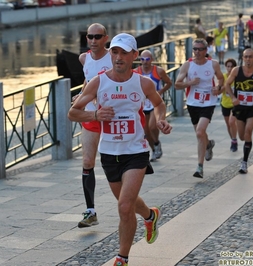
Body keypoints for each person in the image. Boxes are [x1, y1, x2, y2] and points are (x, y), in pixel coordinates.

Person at [68, 33, 172, 266]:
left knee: (124, 206)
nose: (118, 57)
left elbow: (158, 103)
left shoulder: (143, 83)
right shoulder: (98, 82)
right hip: (109, 153)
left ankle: (122, 258)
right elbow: (73, 113)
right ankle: (150, 215)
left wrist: (161, 119)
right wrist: (95, 115)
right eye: (115, 51)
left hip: (135, 151)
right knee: (130, 204)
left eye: (124, 52)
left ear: (134, 55)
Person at [76, 23, 111, 228]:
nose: (93, 40)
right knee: (88, 161)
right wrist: (81, 96)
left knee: (113, 163)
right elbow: (87, 81)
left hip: (111, 117)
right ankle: (91, 211)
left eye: (98, 37)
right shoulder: (84, 58)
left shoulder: (114, 57)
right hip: (90, 115)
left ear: (105, 38)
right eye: (90, 36)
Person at [174, 38, 224, 178]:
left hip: (208, 102)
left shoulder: (213, 64)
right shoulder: (187, 65)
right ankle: (208, 145)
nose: (197, 52)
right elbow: (177, 85)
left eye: (200, 49)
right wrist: (190, 82)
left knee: (199, 132)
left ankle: (199, 167)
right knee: (200, 133)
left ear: (205, 50)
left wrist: (218, 88)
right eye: (195, 49)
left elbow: (221, 78)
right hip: (193, 103)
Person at [224, 49, 253, 174]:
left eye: (250, 57)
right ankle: (242, 144)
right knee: (242, 136)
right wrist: (233, 97)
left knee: (248, 132)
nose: (248, 59)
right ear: (243, 58)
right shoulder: (236, 71)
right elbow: (227, 85)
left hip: (252, 108)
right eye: (246, 57)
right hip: (239, 108)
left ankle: (244, 163)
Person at [134, 50, 172, 161]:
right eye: (142, 59)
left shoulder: (158, 71)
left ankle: (156, 142)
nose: (145, 62)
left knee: (152, 126)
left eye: (147, 59)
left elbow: (169, 82)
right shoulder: (136, 72)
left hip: (154, 102)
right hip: (142, 104)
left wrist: (160, 91)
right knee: (146, 131)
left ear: (152, 60)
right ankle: (155, 147)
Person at [219, 58, 238, 152]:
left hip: (234, 104)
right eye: (228, 66)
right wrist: (223, 87)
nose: (230, 69)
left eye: (232, 66)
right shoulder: (223, 77)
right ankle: (233, 140)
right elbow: (218, 91)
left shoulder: (237, 77)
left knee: (231, 122)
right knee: (228, 124)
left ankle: (234, 140)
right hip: (225, 104)